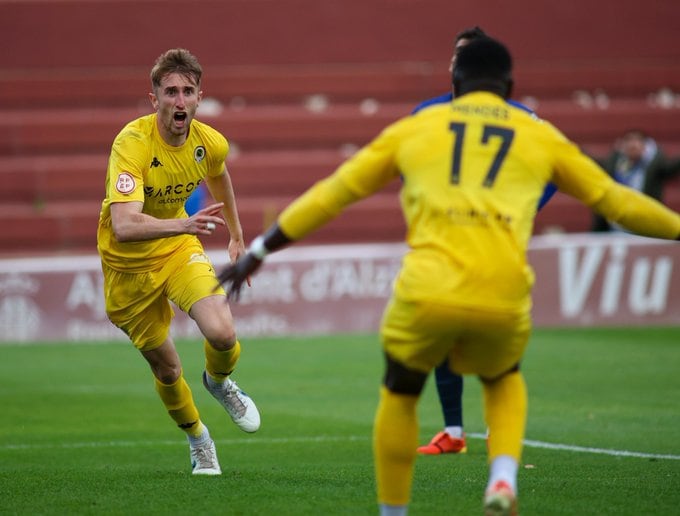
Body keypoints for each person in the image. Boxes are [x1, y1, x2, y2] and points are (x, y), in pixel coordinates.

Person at [214, 38, 680, 515]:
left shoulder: (420, 126)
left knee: (400, 388)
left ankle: (393, 512)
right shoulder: (538, 134)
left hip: (427, 290)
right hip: (503, 293)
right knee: (503, 377)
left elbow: (334, 194)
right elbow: (616, 200)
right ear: (509, 87)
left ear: (455, 83)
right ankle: (501, 478)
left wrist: (260, 251)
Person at [96, 48, 260, 476]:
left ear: (200, 96)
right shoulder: (131, 143)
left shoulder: (209, 143)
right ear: (155, 100)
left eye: (188, 91)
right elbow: (124, 226)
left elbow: (220, 174)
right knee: (167, 368)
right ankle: (198, 438)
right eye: (170, 91)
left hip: (176, 250)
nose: (180, 100)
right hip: (127, 270)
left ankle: (219, 383)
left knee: (223, 333)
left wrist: (238, 238)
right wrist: (184, 224)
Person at [413, 26, 557, 456]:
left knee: (496, 335)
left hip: (496, 248)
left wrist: (521, 209)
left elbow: (556, 169)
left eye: (471, 56)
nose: (462, 63)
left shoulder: (520, 117)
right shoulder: (428, 113)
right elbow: (406, 165)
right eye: (458, 55)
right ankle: (454, 431)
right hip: (444, 246)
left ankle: (499, 426)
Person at [592, 129, 680, 232]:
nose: (633, 145)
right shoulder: (613, 164)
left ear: (645, 146)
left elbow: (672, 167)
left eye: (637, 141)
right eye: (629, 141)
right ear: (622, 145)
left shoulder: (655, 166)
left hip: (645, 227)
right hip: (615, 228)